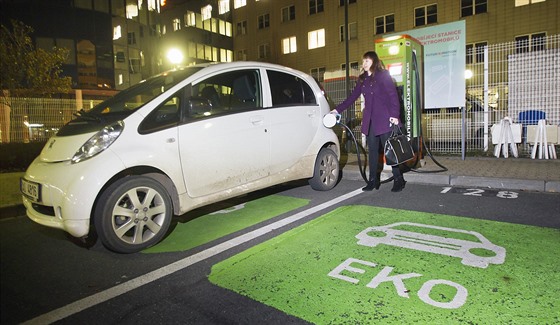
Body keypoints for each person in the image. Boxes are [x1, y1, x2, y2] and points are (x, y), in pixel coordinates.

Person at [332, 51, 406, 192]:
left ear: (374, 61)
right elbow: (352, 98)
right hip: (371, 121)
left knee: (390, 151)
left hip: (385, 120)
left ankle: (398, 179)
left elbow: (393, 96)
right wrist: (337, 110)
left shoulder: (383, 75)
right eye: (363, 61)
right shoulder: (362, 79)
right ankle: (373, 181)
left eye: (367, 61)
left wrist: (395, 115)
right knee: (372, 151)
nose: (364, 64)